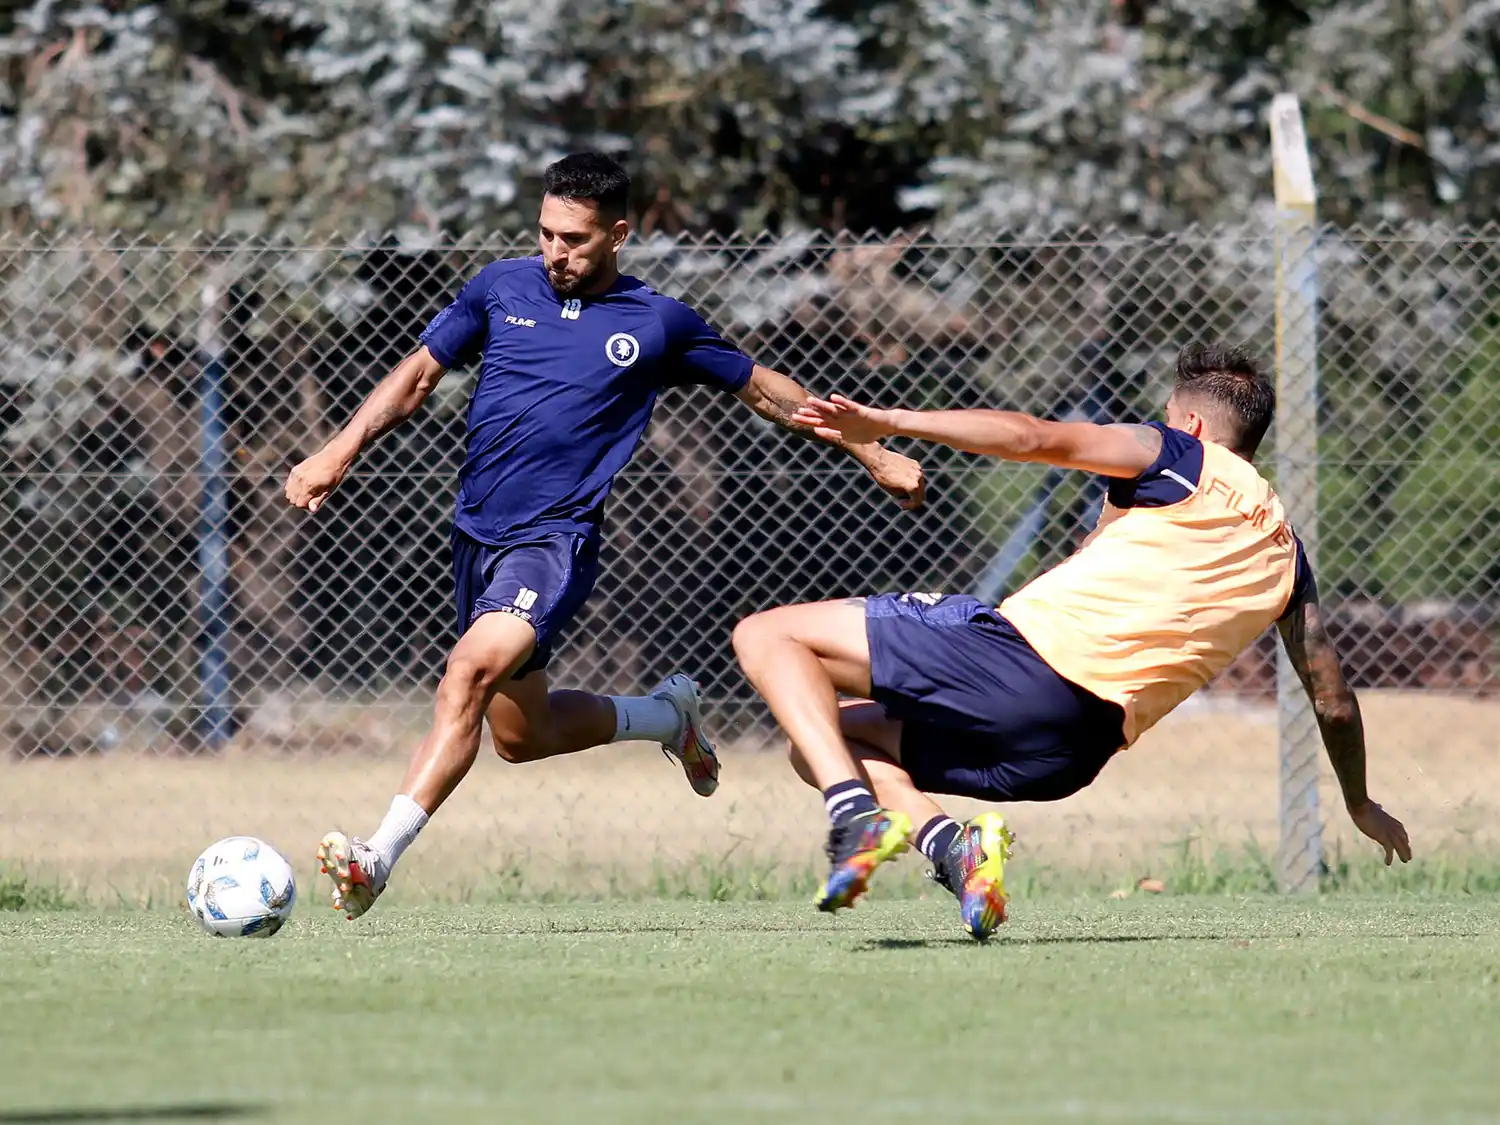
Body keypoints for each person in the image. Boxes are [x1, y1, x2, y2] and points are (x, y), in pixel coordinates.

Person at [284, 152, 925, 918]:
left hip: (553, 542)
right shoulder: (501, 288)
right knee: (522, 735)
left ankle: (373, 859)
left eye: (577, 238)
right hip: (476, 533)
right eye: (548, 233)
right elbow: (419, 374)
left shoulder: (657, 323)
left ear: (618, 234)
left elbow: (767, 391)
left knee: (466, 673)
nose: (557, 251)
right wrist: (337, 449)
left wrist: (875, 453)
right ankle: (665, 715)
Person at [731, 343, 1412, 941]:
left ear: (1194, 424)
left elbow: (1030, 437)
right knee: (821, 740)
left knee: (766, 635)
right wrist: (1359, 802)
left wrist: (889, 423)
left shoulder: (1178, 454)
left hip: (1024, 665)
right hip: (1071, 753)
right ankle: (951, 848)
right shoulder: (1286, 558)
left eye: (1168, 416)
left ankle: (853, 817)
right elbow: (1333, 698)